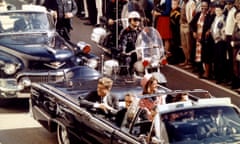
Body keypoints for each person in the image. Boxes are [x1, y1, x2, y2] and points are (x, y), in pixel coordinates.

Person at [118, 11, 142, 75]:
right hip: (129, 54)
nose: (137, 21)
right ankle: (126, 76)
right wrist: (123, 51)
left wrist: (153, 46)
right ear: (130, 20)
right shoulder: (125, 31)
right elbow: (123, 43)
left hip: (139, 54)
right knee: (127, 61)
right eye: (135, 19)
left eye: (138, 20)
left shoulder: (140, 31)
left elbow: (146, 40)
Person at [210, 4, 227, 84]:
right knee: (216, 59)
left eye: (219, 10)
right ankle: (216, 76)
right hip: (215, 41)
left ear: (222, 10)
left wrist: (219, 37)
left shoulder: (223, 18)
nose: (217, 12)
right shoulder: (215, 18)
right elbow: (213, 28)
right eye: (216, 10)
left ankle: (221, 78)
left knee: (221, 60)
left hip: (221, 41)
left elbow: (223, 31)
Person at [231, 10, 240, 94]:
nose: (238, 18)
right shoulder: (236, 25)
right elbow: (233, 36)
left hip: (239, 50)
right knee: (236, 68)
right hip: (235, 50)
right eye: (237, 17)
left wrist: (235, 43)